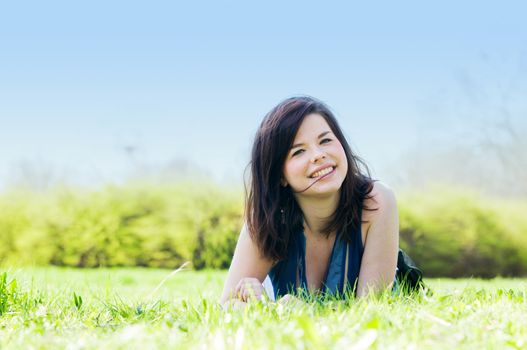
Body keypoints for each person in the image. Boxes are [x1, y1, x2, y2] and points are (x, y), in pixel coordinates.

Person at [220, 96, 399, 306]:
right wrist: (261, 305)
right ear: (280, 175)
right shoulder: (267, 220)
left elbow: (372, 308)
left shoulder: (377, 201)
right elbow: (227, 305)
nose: (318, 155)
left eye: (325, 140)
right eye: (298, 151)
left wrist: (302, 310)